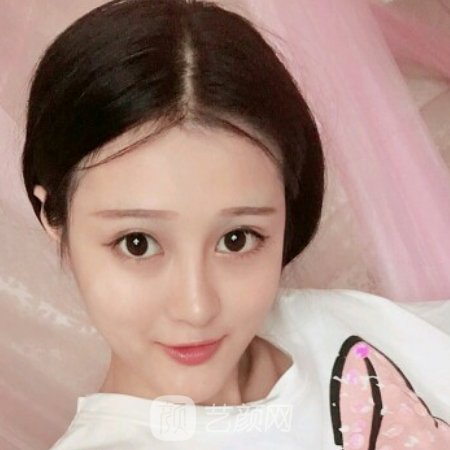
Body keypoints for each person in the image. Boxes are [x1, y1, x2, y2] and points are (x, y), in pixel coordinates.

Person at [21, 0, 450, 448]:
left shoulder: (339, 325)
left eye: (236, 239)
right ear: (54, 218)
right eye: (138, 243)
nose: (196, 308)